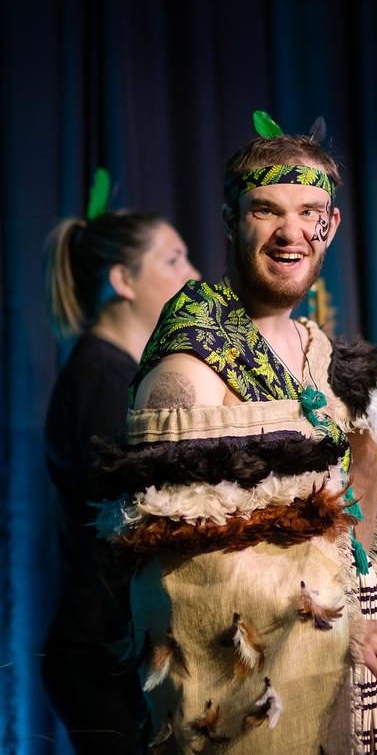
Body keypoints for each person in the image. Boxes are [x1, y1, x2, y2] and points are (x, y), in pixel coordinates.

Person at [94, 122, 377, 754]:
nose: (290, 232)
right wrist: (346, 619)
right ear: (230, 220)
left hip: (344, 680)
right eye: (265, 210)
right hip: (246, 708)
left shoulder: (318, 350)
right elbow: (188, 570)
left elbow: (343, 508)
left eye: (309, 213)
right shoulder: (189, 366)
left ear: (333, 225)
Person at [43, 207, 199, 754]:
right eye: (173, 259)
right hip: (101, 657)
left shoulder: (125, 373)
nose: (194, 276)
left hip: (119, 650)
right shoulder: (99, 378)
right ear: (122, 280)